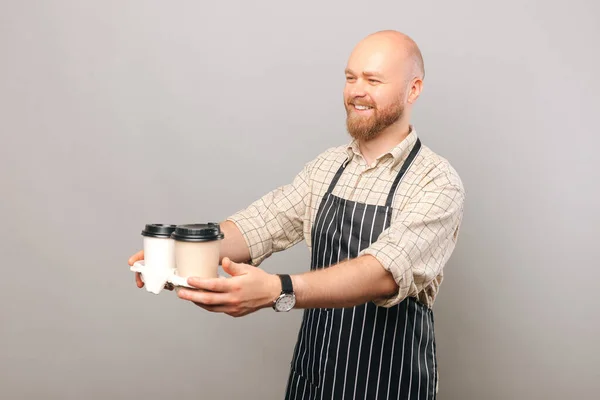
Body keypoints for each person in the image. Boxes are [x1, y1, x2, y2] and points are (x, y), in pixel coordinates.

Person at [128, 30, 465, 400]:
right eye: (351, 77)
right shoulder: (328, 166)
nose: (357, 90)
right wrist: (183, 252)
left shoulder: (436, 181)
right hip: (313, 379)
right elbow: (261, 224)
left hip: (387, 385)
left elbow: (383, 272)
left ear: (413, 89)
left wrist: (278, 289)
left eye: (373, 80)